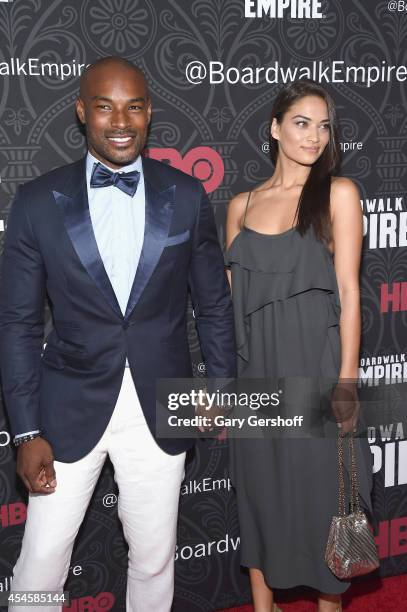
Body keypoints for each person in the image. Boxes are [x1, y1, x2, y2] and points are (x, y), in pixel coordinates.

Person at [0, 56, 236, 612]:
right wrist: (25, 428)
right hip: (66, 409)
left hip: (160, 404)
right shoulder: (37, 202)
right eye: (105, 106)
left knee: (154, 561)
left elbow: (214, 301)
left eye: (133, 106)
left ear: (149, 112)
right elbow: (18, 323)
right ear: (83, 112)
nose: (121, 120)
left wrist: (222, 384)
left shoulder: (186, 195)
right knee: (40, 561)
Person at [225, 80, 373, 612]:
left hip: (316, 371)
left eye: (323, 125)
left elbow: (351, 292)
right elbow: (228, 308)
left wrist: (348, 381)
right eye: (302, 123)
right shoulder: (240, 206)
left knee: (323, 502)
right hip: (256, 379)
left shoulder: (339, 194)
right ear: (275, 128)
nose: (314, 136)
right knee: (260, 497)